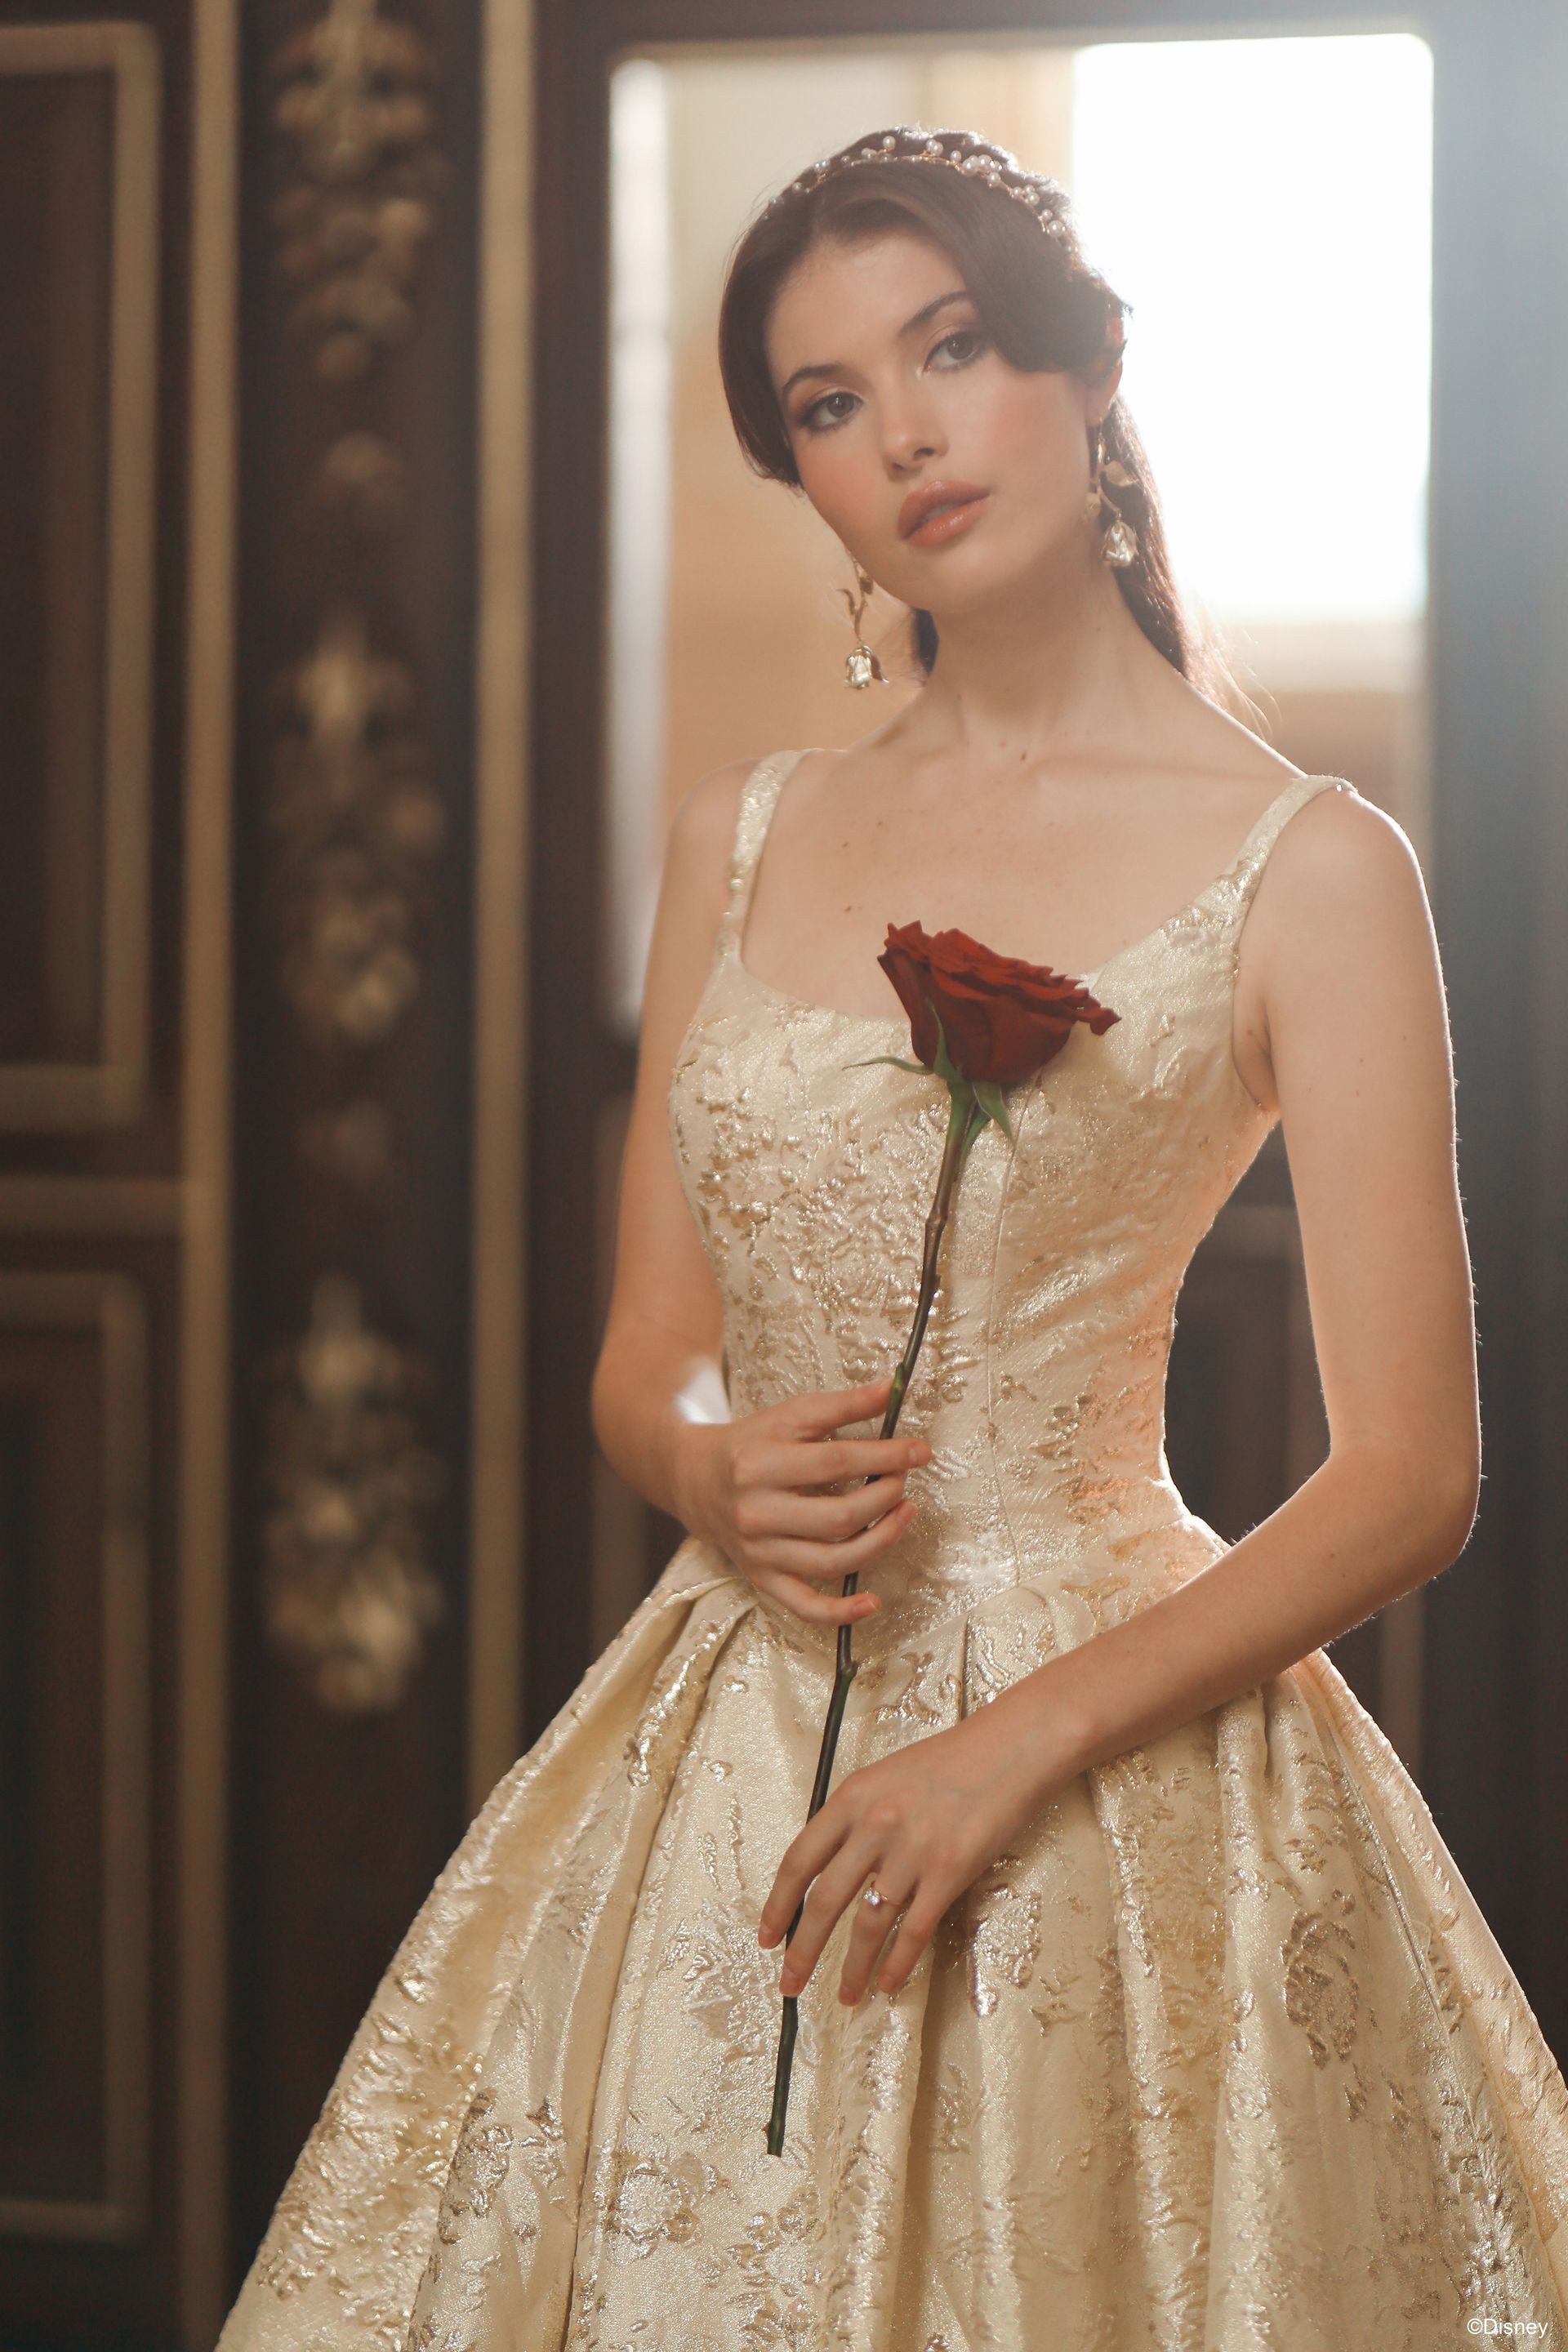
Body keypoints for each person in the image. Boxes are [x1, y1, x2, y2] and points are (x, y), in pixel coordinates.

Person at [217, 125, 1568, 2350]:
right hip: (734, 1728)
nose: (908, 434)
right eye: (829, 405)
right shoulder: (740, 835)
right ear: (810, 486)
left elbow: (1415, 1474)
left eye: (951, 349)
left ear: (1091, 369)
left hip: (1106, 1770)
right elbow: (647, 1354)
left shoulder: (1314, 869)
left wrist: (1001, 1749)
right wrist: (704, 1467)